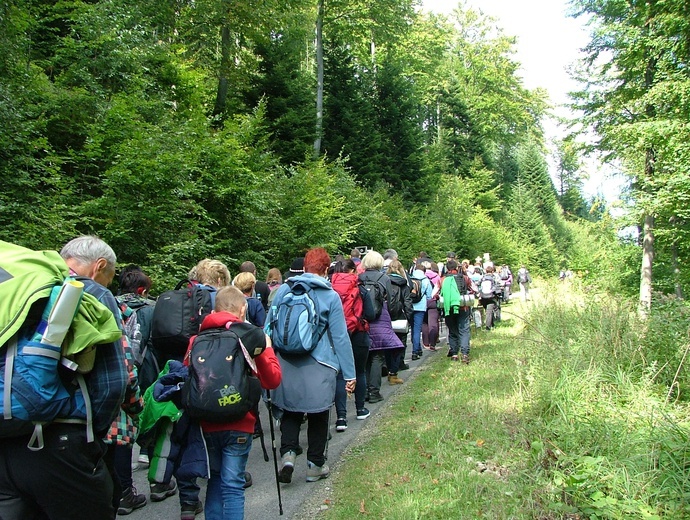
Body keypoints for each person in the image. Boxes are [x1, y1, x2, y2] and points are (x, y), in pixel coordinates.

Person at [0, 236, 130, 520]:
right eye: (110, 277)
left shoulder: (18, 288)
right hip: (60, 444)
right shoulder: (90, 291)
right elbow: (113, 382)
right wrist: (91, 435)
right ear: (100, 266)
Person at [188, 286, 281, 520]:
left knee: (215, 480)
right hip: (240, 421)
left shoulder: (196, 340)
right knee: (233, 485)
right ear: (242, 310)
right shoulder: (249, 336)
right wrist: (268, 350)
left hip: (205, 421)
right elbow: (272, 380)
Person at [270, 248, 356, 484]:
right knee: (319, 413)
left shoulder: (283, 291)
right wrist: (350, 374)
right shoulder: (330, 295)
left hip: (286, 363)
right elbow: (340, 338)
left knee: (290, 410)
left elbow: (268, 330)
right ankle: (314, 465)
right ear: (327, 269)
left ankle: (288, 454)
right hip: (320, 363)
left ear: (305, 267)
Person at [331, 259, 376, 432]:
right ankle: (360, 409)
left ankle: (341, 418)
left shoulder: (330, 289)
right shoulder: (361, 290)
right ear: (352, 271)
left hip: (338, 335)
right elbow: (371, 314)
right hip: (359, 334)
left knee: (340, 375)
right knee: (359, 371)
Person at [359, 251, 404, 402]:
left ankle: (364, 391)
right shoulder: (384, 278)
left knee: (365, 357)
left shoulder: (358, 278)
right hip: (380, 319)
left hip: (362, 320)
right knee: (377, 356)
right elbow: (392, 303)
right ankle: (374, 392)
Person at [440, 260, 475, 364]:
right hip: (463, 307)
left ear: (446, 268)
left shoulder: (442, 280)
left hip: (448, 308)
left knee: (452, 329)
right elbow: (474, 289)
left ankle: (454, 353)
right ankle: (464, 354)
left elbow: (435, 294)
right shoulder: (465, 278)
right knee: (464, 330)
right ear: (457, 267)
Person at [386, 259, 414, 373]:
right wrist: (409, 317)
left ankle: (389, 367)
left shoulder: (384, 282)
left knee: (387, 343)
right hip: (400, 317)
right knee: (401, 343)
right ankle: (398, 364)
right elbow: (408, 303)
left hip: (386, 317)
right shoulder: (404, 284)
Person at [409, 260, 433, 361]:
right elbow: (429, 295)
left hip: (409, 306)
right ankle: (415, 351)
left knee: (413, 328)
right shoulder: (425, 280)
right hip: (420, 307)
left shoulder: (409, 278)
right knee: (417, 329)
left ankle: (417, 348)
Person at [422, 261, 441, 351]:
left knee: (425, 323)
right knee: (433, 322)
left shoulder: (420, 277)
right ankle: (433, 343)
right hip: (433, 301)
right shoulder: (437, 276)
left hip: (422, 301)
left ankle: (426, 343)